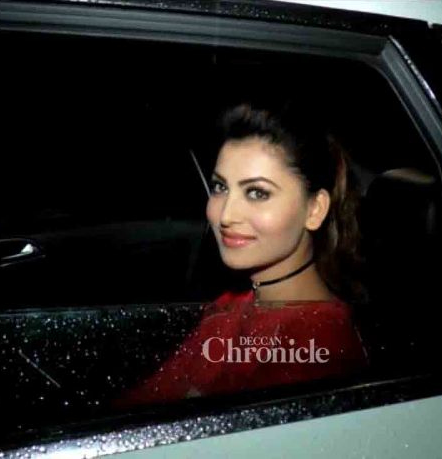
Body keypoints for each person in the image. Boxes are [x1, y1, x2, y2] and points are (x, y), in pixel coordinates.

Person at [118, 100, 369, 406]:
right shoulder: (233, 305)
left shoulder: (319, 345)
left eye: (257, 193)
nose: (226, 216)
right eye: (220, 188)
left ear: (314, 210)